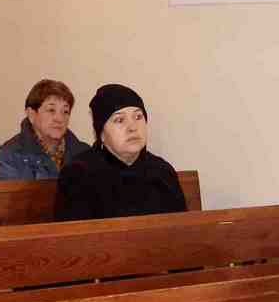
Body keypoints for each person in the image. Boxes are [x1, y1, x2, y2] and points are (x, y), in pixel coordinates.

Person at [54, 84, 186, 221]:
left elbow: (182, 228)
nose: (132, 127)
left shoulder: (162, 171)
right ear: (101, 134)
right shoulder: (78, 174)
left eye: (138, 117)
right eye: (119, 120)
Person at [0, 79, 89, 180]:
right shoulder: (9, 157)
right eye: (51, 110)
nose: (59, 119)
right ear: (31, 115)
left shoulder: (84, 153)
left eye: (65, 111)